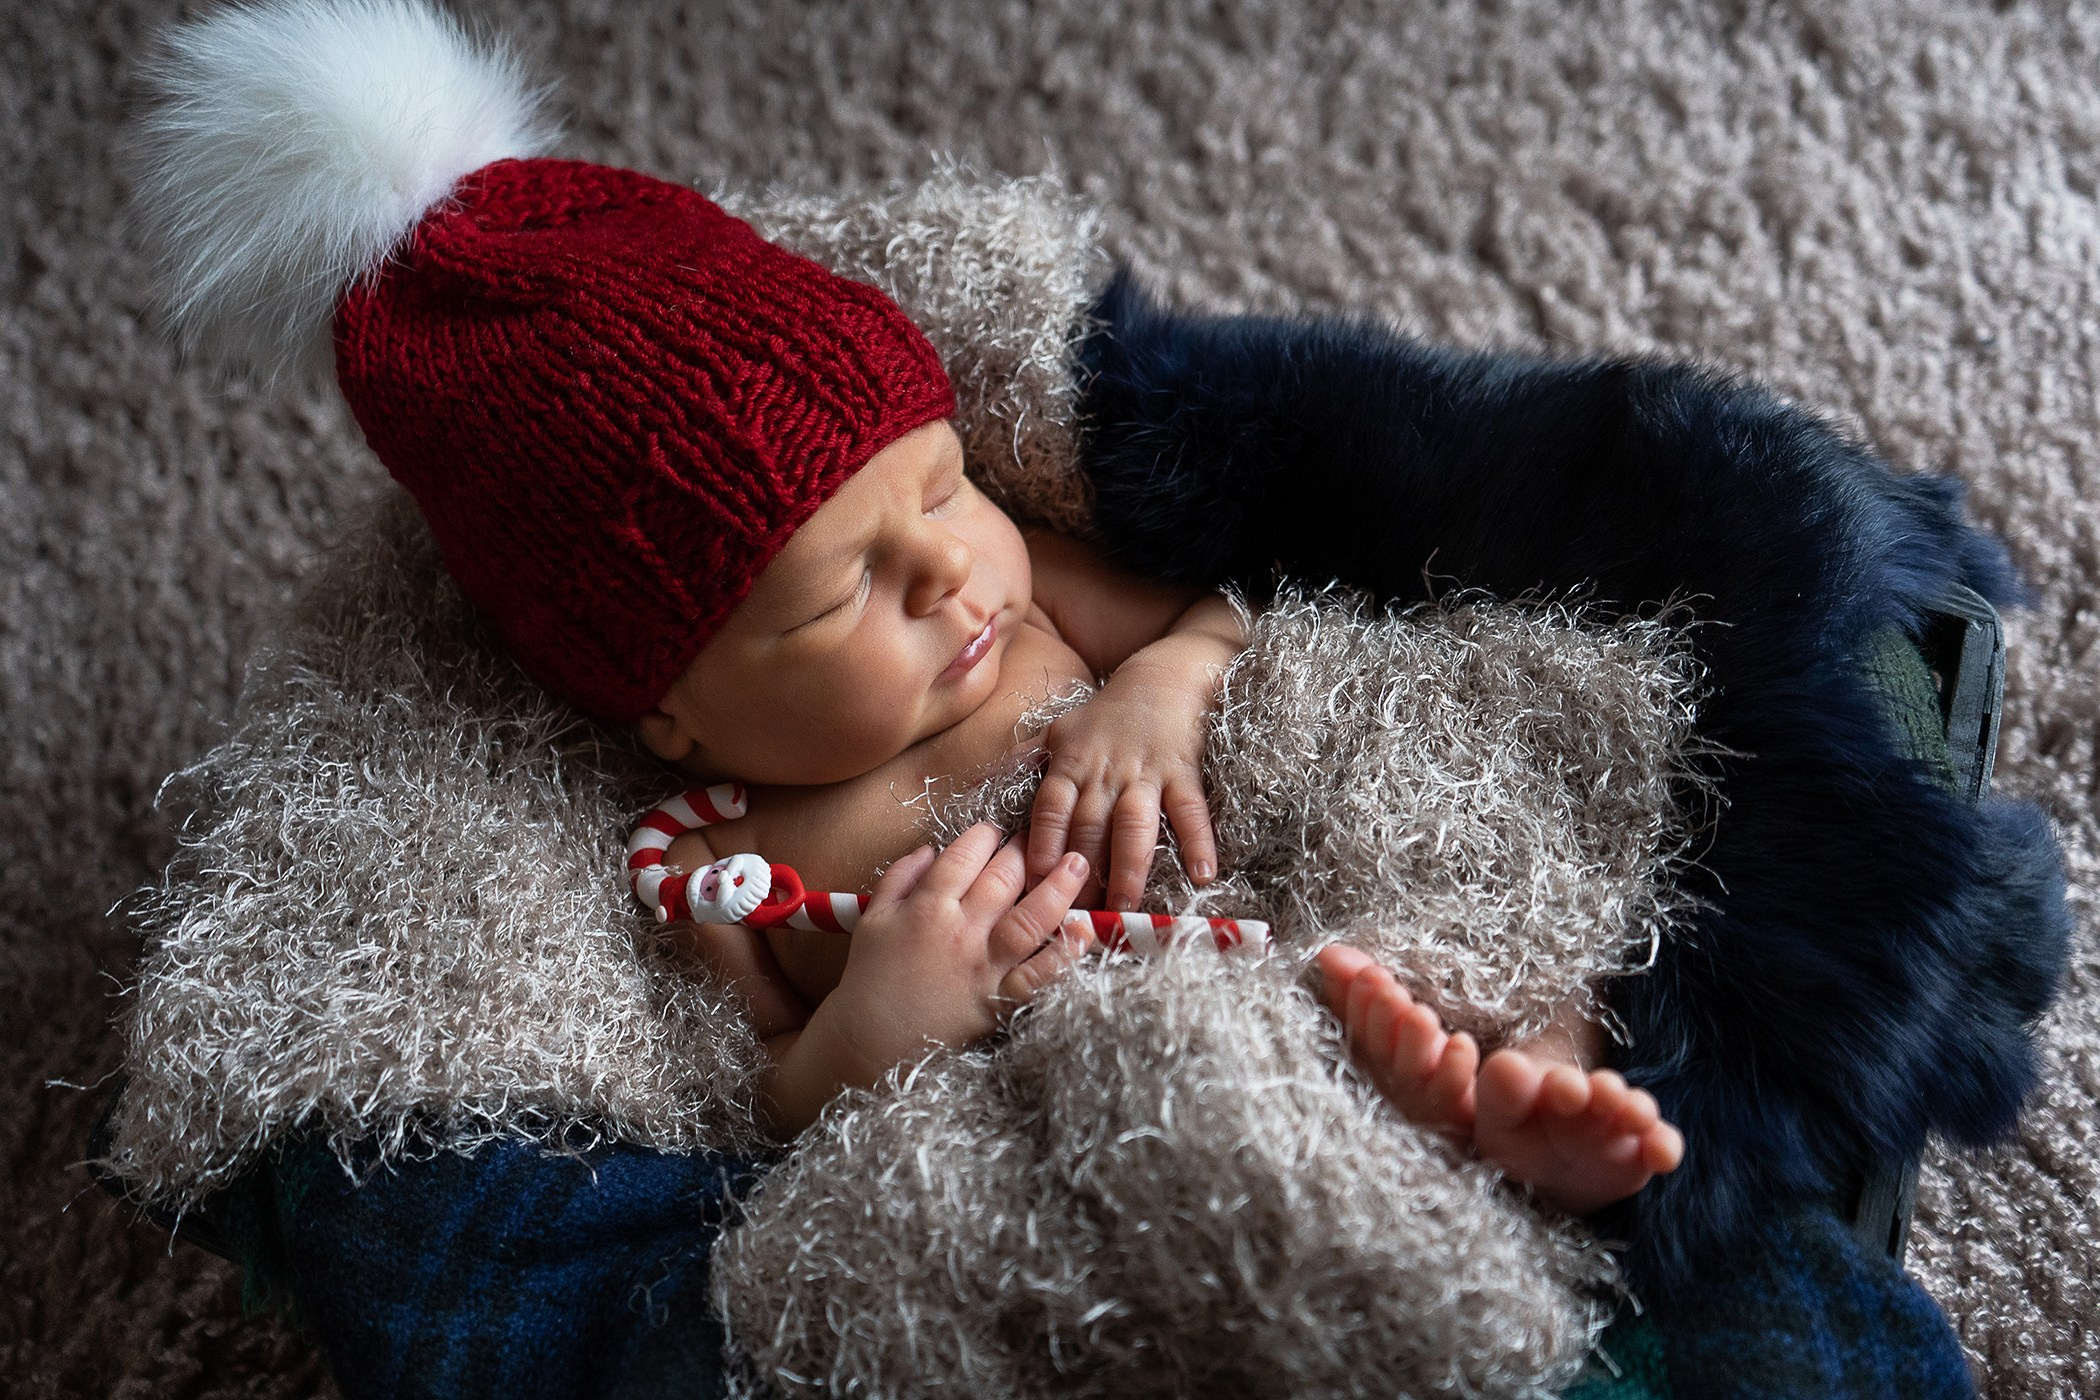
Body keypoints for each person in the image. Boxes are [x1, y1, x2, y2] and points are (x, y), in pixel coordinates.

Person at [139, 0, 1676, 1214]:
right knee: (1117, 1146)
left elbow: (1225, 612)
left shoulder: (1028, 603)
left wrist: (1153, 694)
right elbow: (751, 1107)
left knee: (1444, 806)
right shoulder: (720, 862)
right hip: (1110, 1041)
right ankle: (1446, 1139)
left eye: (940, 489)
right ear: (668, 701)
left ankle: (1527, 1061)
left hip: (1260, 847)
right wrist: (885, 1020)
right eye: (839, 593)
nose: (947, 566)